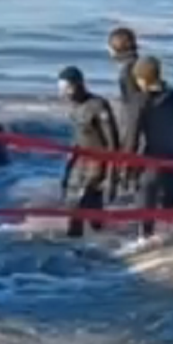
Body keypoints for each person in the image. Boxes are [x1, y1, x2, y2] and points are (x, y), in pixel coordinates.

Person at [124, 56, 173, 243]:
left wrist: (125, 166)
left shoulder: (140, 101)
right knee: (171, 205)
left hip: (151, 162)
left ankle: (144, 244)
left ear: (141, 79)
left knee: (145, 209)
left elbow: (132, 137)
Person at [57, 66, 121, 238]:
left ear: (80, 84)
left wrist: (112, 174)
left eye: (69, 88)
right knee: (78, 200)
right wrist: (69, 163)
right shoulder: (73, 108)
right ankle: (97, 237)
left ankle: (75, 240)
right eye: (62, 89)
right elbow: (78, 137)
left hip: (98, 161)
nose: (66, 93)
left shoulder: (97, 106)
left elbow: (112, 142)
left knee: (81, 202)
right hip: (80, 159)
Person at [108, 27, 145, 193]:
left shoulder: (127, 73)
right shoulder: (142, 66)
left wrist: (128, 147)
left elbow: (134, 111)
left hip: (135, 132)